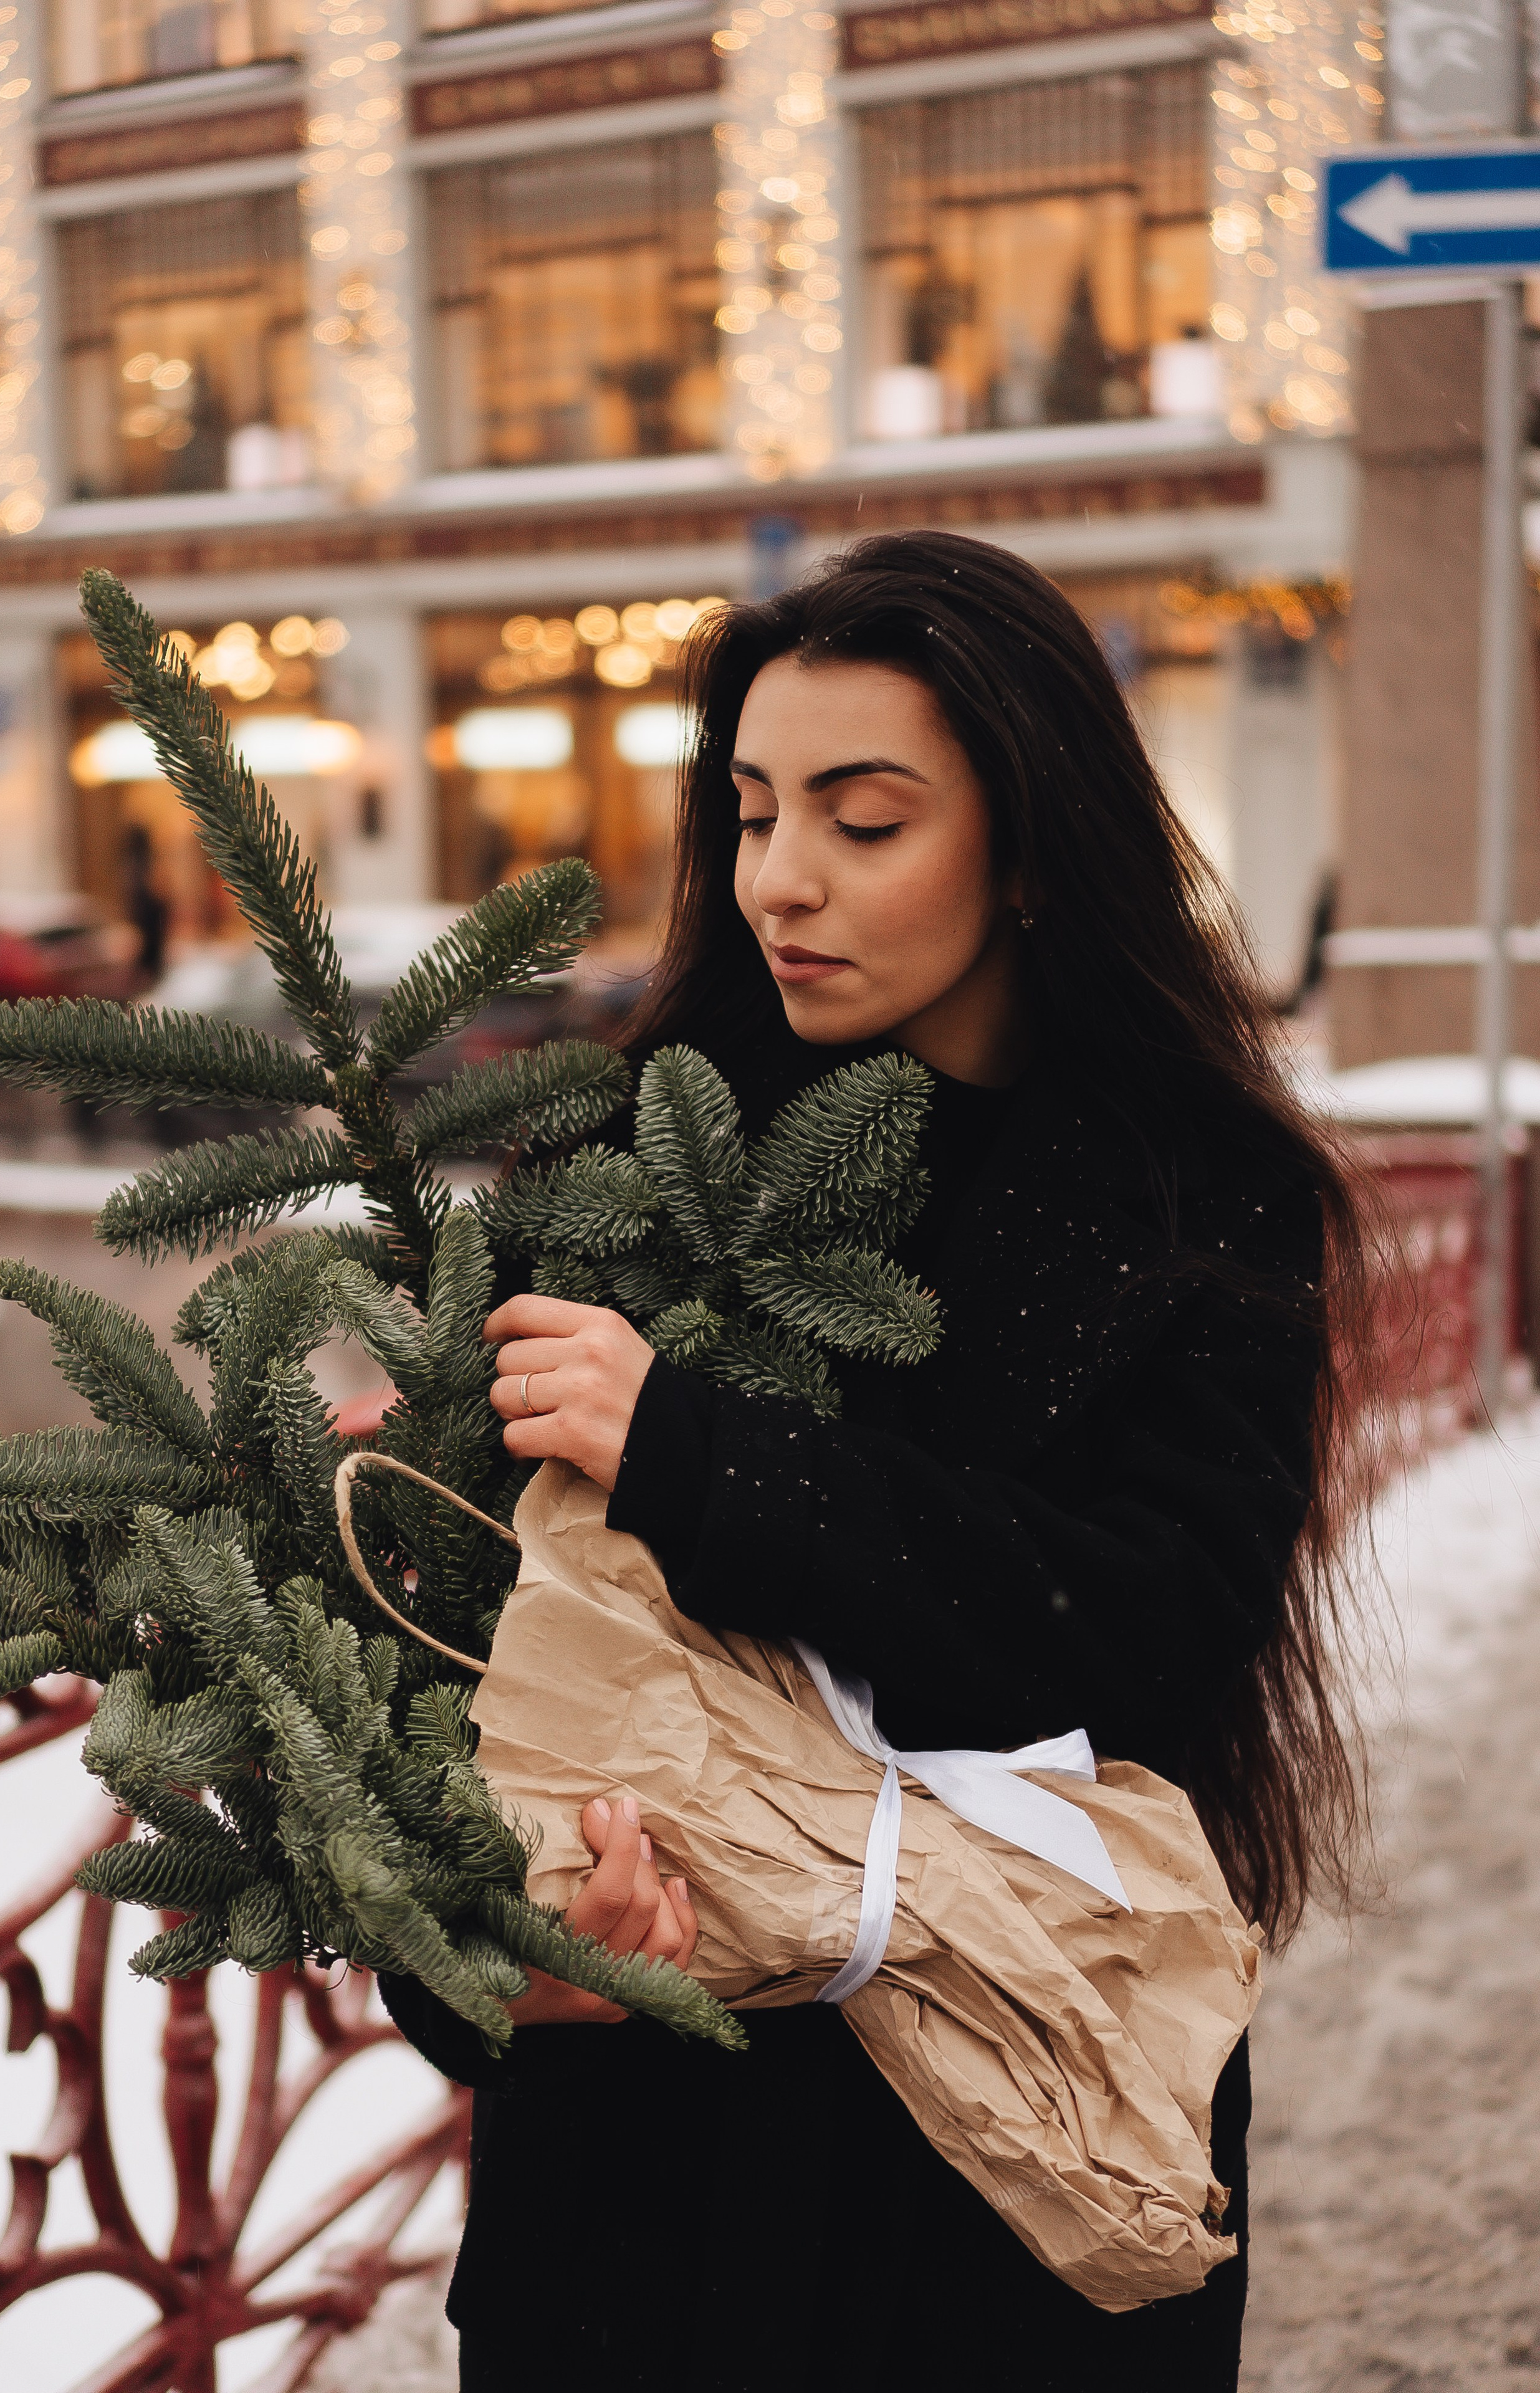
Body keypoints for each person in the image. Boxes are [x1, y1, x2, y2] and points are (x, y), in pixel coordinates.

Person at [380, 529, 1367, 2391]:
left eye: (865, 817)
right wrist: (502, 1975)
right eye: (751, 813)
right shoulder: (623, 1157)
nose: (782, 881)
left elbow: (1149, 1632)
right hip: (641, 2210)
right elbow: (431, 1696)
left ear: (1033, 844)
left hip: (1014, 2190)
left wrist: (693, 1447)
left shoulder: (1194, 1193)